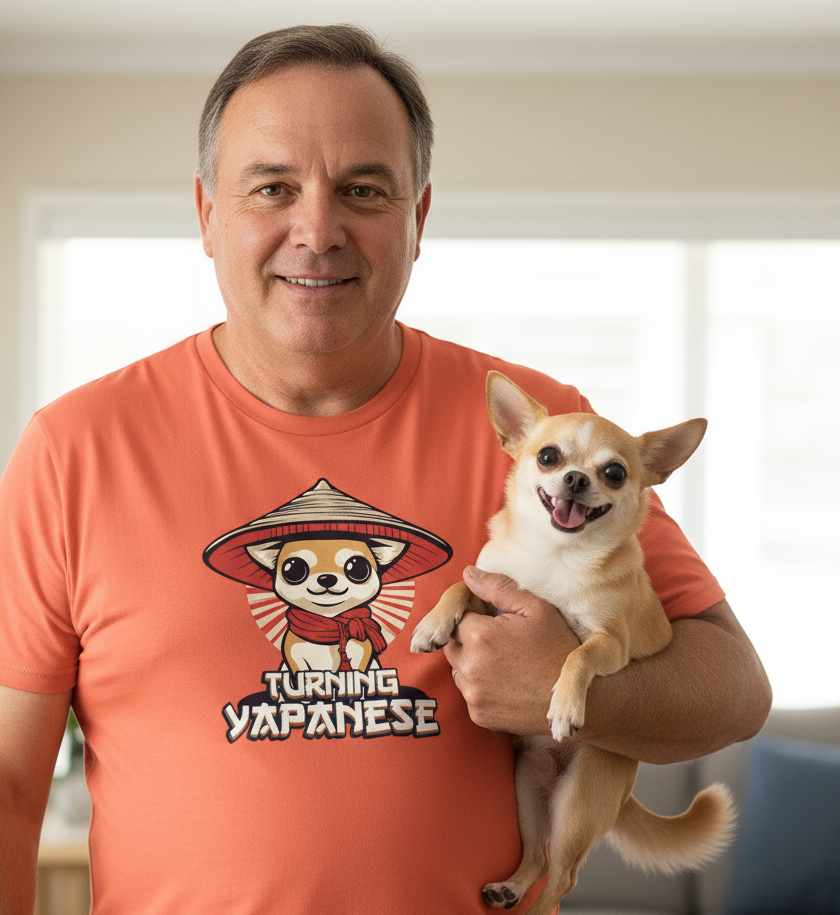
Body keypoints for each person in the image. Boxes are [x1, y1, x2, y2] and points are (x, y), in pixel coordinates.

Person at [0, 24, 771, 915]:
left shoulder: (548, 439)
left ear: (419, 218)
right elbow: (11, 785)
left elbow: (734, 690)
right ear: (208, 214)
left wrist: (578, 692)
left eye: (362, 190)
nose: (318, 231)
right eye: (273, 187)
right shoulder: (74, 450)